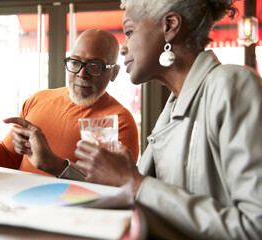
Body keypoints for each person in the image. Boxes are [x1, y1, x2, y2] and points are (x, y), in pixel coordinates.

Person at [73, 1, 262, 239]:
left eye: (129, 32)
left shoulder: (231, 85)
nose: (123, 48)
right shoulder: (171, 108)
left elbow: (255, 226)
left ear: (170, 26)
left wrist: (134, 182)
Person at [0, 28, 139, 178]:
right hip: (21, 211)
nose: (81, 74)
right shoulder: (38, 100)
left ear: (113, 73)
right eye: (75, 62)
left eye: (94, 66)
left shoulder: (120, 121)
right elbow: (7, 159)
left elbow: (114, 189)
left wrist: (52, 163)